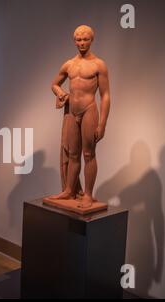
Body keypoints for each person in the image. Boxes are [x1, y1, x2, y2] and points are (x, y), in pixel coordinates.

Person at [51, 25, 111, 208]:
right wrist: (60, 93)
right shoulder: (69, 64)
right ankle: (69, 190)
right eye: (79, 39)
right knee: (73, 153)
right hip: (71, 112)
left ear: (91, 40)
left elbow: (106, 95)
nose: (82, 43)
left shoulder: (98, 64)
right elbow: (54, 84)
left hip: (89, 110)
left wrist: (102, 124)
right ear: (74, 40)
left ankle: (87, 194)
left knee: (88, 154)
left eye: (85, 39)